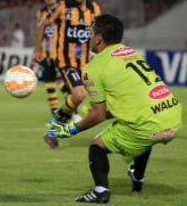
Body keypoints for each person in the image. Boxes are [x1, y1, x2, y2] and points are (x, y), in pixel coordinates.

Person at [45, 14, 183, 203]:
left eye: (92, 33)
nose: (90, 37)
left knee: (97, 145)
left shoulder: (93, 68)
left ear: (99, 38)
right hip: (173, 119)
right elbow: (132, 103)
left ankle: (101, 191)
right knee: (142, 135)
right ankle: (138, 176)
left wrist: (71, 129)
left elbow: (98, 114)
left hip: (147, 126)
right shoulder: (131, 52)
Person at [40, 0, 102, 148]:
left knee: (100, 103)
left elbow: (98, 34)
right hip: (66, 62)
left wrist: (96, 53)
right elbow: (44, 23)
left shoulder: (95, 9)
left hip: (86, 63)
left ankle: (52, 130)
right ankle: (54, 128)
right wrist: (38, 49)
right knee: (79, 95)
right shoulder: (63, 7)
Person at [34, 0, 67, 114]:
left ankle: (74, 112)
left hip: (60, 53)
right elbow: (39, 32)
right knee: (49, 84)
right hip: (46, 54)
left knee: (63, 83)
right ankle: (55, 114)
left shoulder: (63, 10)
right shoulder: (41, 12)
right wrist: (36, 51)